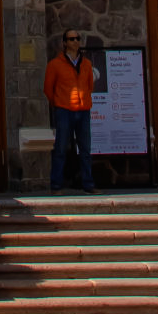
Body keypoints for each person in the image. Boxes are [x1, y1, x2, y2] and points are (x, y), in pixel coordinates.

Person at [43, 29, 95, 194]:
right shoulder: (55, 65)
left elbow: (89, 86)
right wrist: (58, 103)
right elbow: (48, 88)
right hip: (64, 110)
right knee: (60, 148)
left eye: (77, 38)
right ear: (64, 42)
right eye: (71, 39)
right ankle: (56, 185)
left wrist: (84, 100)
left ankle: (88, 184)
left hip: (83, 110)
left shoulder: (86, 64)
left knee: (85, 149)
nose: (75, 41)